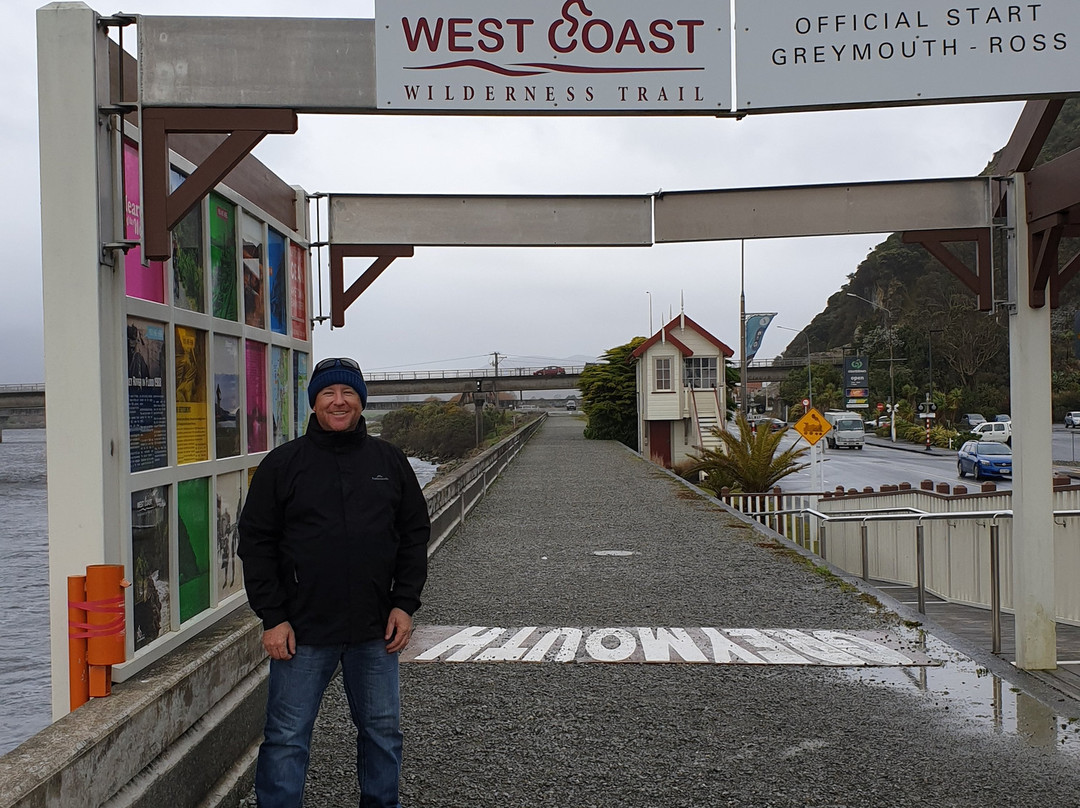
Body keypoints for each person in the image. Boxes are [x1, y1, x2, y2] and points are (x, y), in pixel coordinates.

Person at [239, 357, 430, 808]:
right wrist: (273, 617)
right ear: (314, 403)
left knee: (383, 733)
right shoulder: (283, 465)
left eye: (348, 394)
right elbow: (256, 543)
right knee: (286, 738)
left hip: (375, 627)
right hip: (301, 632)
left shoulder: (389, 461)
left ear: (362, 401)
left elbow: (414, 533)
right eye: (328, 394)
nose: (339, 402)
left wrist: (404, 603)